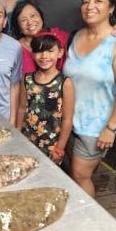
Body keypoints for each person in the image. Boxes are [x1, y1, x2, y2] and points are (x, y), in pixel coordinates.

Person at [63, 0, 116, 197]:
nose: (90, 6)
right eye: (85, 1)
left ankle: (88, 224)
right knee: (69, 174)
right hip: (67, 122)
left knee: (80, 176)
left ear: (111, 7)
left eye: (98, 1)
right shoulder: (74, 36)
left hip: (96, 127)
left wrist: (111, 128)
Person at [17, 32, 74, 165]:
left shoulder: (65, 83)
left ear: (60, 53)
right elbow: (21, 108)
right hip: (27, 140)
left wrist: (59, 148)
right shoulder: (27, 79)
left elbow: (67, 119)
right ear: (32, 53)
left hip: (51, 145)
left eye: (49, 51)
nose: (44, 56)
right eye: (39, 51)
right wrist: (18, 134)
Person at [11, 0, 69, 74]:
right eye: (23, 20)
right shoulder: (14, 49)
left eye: (33, 16)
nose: (30, 22)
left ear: (41, 17)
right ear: (18, 27)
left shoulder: (59, 36)